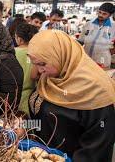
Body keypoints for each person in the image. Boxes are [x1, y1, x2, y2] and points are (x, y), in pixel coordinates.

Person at [28, 30, 115, 162]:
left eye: (42, 64)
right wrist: (26, 126)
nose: (39, 70)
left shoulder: (96, 91)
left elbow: (97, 146)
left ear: (61, 55)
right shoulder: (52, 78)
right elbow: (43, 119)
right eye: (35, 64)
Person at [78, 3, 115, 68]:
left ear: (110, 15)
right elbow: (80, 41)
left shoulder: (113, 27)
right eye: (99, 12)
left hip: (102, 62)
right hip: (86, 60)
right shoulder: (89, 24)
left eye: (104, 14)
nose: (100, 15)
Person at [14, 23, 38, 116]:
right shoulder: (37, 53)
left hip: (13, 96)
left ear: (19, 39)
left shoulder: (11, 53)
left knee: (14, 125)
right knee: (29, 124)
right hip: (31, 95)